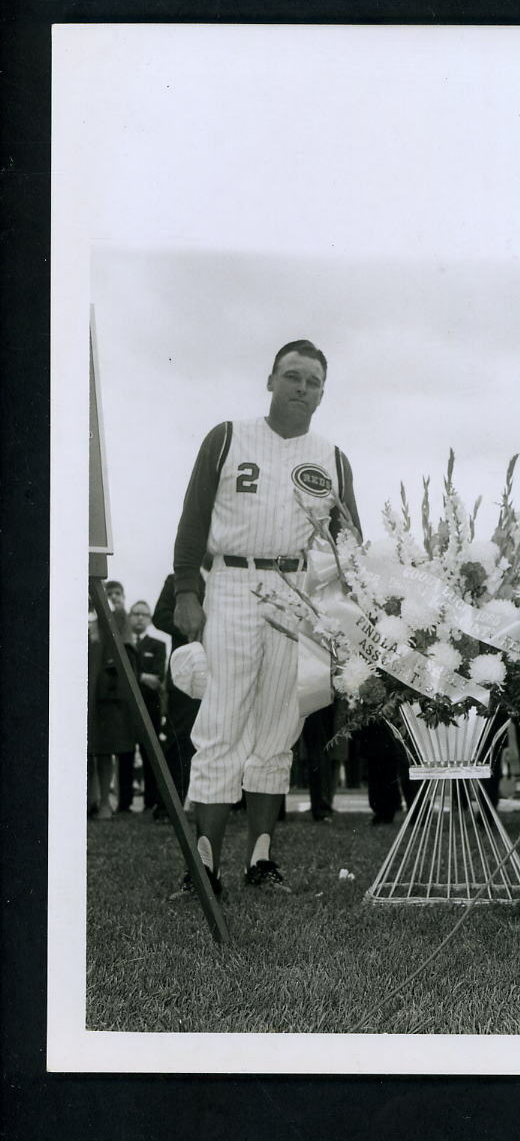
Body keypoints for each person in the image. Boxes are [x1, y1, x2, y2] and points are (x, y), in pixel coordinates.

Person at [171, 340, 361, 899]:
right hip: (231, 579)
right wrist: (187, 588)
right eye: (292, 377)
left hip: (295, 588)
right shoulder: (228, 436)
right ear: (271, 379)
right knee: (223, 718)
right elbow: (192, 517)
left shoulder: (331, 456)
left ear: (323, 392)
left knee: (280, 723)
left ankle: (261, 859)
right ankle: (204, 866)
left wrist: (347, 610)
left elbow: (349, 542)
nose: (302, 389)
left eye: (313, 382)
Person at [152, 572, 205, 820]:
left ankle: (226, 803)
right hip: (187, 671)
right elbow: (160, 616)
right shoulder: (176, 581)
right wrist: (195, 628)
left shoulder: (227, 576)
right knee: (179, 737)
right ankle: (170, 806)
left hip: (224, 668)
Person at [87, 600, 138, 819]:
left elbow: (125, 647)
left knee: (103, 749)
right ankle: (87, 801)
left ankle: (104, 802)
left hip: (101, 694)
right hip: (77, 687)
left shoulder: (116, 616)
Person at [116, 600, 167, 814]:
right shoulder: (122, 643)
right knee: (125, 755)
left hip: (150, 708)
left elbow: (158, 678)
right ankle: (124, 803)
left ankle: (150, 801)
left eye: (143, 614)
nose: (139, 617)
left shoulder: (158, 645)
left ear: (149, 619)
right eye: (135, 613)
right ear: (129, 616)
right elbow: (120, 676)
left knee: (150, 755)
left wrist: (135, 677)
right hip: (125, 709)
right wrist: (142, 677)